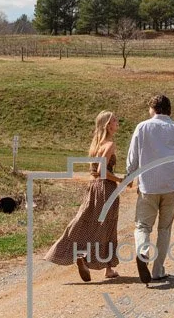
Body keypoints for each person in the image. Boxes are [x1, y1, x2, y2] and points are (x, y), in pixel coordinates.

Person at [43, 111, 123, 282]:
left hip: (93, 187)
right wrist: (119, 179)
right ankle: (89, 259)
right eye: (115, 120)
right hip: (106, 188)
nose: (118, 123)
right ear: (108, 125)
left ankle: (105, 266)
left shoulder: (95, 145)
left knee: (84, 222)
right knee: (106, 228)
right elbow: (103, 171)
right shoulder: (109, 144)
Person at [123, 94, 174, 285]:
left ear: (153, 109)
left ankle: (143, 251)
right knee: (164, 228)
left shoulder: (142, 127)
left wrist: (130, 175)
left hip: (148, 185)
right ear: (168, 110)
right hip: (170, 185)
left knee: (143, 226)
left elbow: (133, 155)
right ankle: (158, 270)